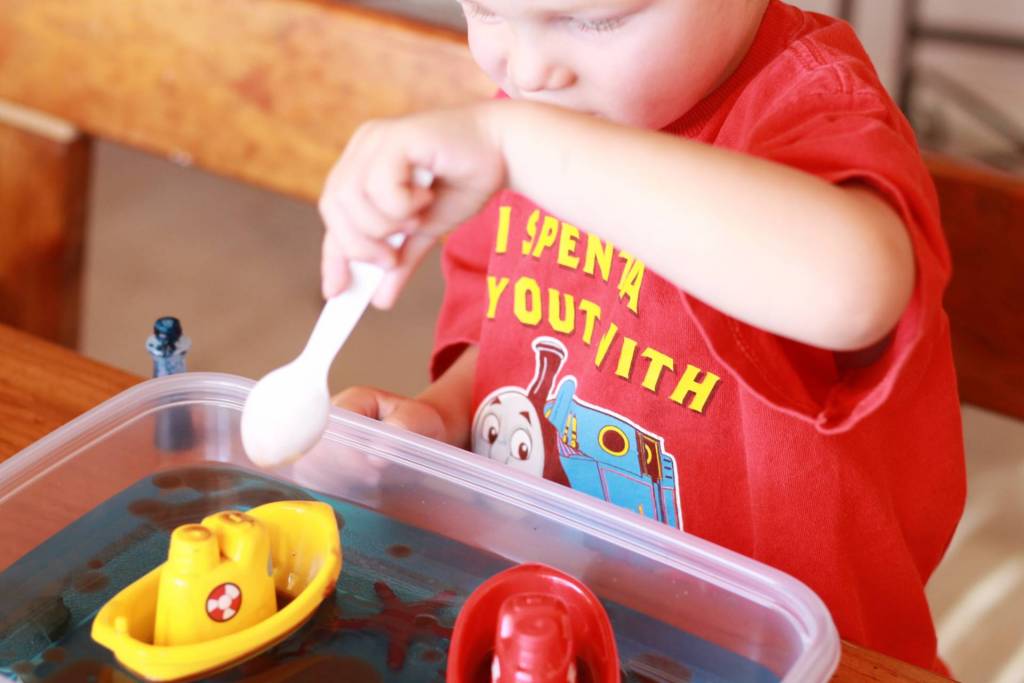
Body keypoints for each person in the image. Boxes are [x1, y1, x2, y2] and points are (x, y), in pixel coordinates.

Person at [319, 0, 965, 673]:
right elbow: (508, 337)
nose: (531, 69)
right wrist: (441, 417)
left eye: (597, 20)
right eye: (488, 10)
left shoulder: (806, 104)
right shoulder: (540, 119)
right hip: (560, 625)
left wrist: (519, 146)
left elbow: (852, 290)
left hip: (791, 660)